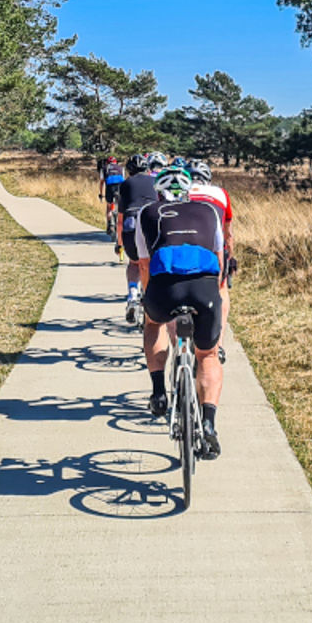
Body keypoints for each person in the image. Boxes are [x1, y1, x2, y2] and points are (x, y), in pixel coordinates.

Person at [138, 167, 227, 460]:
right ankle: (210, 427)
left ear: (158, 192)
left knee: (154, 325)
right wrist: (214, 293)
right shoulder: (210, 211)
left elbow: (143, 264)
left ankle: (158, 391)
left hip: (165, 287)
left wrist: (151, 299)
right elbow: (220, 260)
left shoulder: (148, 212)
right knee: (208, 355)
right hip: (204, 288)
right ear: (190, 190)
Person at [184, 158, 237, 339]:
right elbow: (227, 233)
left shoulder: (179, 192)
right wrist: (230, 257)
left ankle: (178, 343)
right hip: (212, 250)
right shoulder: (220, 193)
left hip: (183, 248)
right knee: (221, 290)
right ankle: (219, 343)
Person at [116, 152, 164, 324]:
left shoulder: (125, 184)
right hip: (150, 224)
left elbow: (120, 219)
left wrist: (119, 243)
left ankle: (132, 294)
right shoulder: (156, 182)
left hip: (131, 224)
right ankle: (151, 298)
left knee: (134, 263)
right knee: (150, 263)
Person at [99, 154, 127, 256]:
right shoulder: (121, 168)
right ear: (116, 162)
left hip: (110, 189)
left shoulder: (104, 168)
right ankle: (119, 222)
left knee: (109, 206)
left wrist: (101, 193)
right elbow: (124, 180)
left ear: (107, 162)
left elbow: (102, 182)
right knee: (120, 208)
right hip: (120, 188)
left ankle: (110, 225)